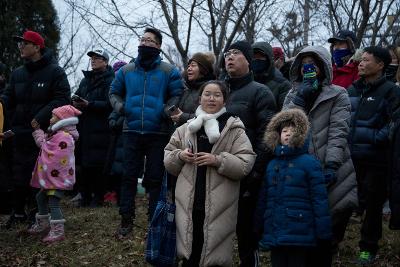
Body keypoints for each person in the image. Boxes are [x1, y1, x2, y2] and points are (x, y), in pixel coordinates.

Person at [164, 80, 256, 267]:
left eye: (217, 95)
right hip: (188, 203)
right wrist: (180, 155)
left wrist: (218, 160)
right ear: (200, 99)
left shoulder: (234, 130)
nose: (211, 98)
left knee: (214, 257)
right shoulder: (185, 129)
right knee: (190, 254)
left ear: (224, 100)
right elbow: (168, 161)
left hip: (220, 206)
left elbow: (246, 163)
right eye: (207, 94)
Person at [283, 45, 357, 266]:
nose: (308, 67)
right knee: (302, 228)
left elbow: (339, 130)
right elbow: (285, 128)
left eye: (312, 63)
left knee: (327, 228)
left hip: (331, 165)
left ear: (323, 67)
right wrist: (300, 101)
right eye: (304, 63)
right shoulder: (292, 95)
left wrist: (332, 164)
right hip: (299, 168)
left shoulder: (338, 94)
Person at [109, 27, 183, 238]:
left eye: (150, 40)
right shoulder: (126, 71)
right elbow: (113, 92)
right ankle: (126, 220)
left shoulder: (169, 71)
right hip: (131, 130)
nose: (145, 43)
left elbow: (177, 94)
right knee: (128, 177)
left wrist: (165, 111)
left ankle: (154, 220)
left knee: (155, 178)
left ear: (158, 46)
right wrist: (122, 109)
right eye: (143, 39)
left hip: (158, 132)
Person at [0, 30, 70, 229]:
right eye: (19, 43)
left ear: (37, 47)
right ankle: (18, 212)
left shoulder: (55, 72)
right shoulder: (17, 73)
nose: (21, 47)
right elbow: (8, 97)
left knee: (38, 175)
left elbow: (62, 98)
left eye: (25, 43)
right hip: (19, 133)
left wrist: (40, 118)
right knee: (18, 174)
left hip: (43, 135)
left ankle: (38, 215)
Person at [254, 108, 332, 267]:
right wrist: (258, 226)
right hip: (275, 229)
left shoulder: (309, 163)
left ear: (302, 134)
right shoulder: (272, 164)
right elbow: (264, 198)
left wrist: (323, 232)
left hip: (301, 230)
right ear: (277, 135)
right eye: (284, 130)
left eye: (292, 130)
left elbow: (319, 199)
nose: (288, 133)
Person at [224, 40, 277, 266]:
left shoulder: (260, 92)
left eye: (236, 53)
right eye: (227, 54)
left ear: (249, 61)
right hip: (218, 167)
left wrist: (255, 172)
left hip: (248, 171)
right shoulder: (218, 90)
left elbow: (268, 134)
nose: (229, 57)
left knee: (246, 230)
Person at [347, 46, 400, 264]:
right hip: (350, 158)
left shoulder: (391, 91)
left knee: (373, 205)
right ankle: (332, 242)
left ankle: (368, 249)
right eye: (360, 60)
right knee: (345, 202)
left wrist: (377, 138)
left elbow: (394, 123)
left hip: (376, 159)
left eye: (367, 60)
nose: (361, 63)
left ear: (380, 65)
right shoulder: (353, 89)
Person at [27, 105, 80, 243]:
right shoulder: (55, 134)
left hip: (58, 178)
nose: (50, 119)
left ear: (62, 119)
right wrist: (38, 130)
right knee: (40, 197)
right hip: (51, 178)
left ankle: (58, 231)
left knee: (53, 202)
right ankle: (44, 224)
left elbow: (49, 149)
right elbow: (43, 143)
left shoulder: (65, 137)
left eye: (53, 116)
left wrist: (41, 135)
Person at [73, 48, 114, 207]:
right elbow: (77, 95)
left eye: (97, 58)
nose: (93, 60)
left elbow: (111, 104)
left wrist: (90, 104)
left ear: (105, 61)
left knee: (99, 166)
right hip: (84, 127)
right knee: (84, 164)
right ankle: (85, 196)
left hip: (102, 128)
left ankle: (98, 197)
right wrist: (75, 101)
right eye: (92, 58)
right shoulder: (85, 80)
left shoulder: (111, 80)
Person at [103, 60, 127, 205]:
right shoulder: (118, 94)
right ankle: (116, 195)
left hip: (125, 133)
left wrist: (117, 122)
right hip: (116, 136)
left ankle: (122, 198)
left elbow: (126, 111)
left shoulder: (130, 93)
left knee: (124, 169)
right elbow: (114, 111)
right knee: (115, 168)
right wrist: (112, 120)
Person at [170, 52, 216, 126]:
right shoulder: (186, 90)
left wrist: (183, 117)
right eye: (188, 66)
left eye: (193, 66)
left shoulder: (212, 89)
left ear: (203, 69)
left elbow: (211, 116)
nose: (189, 69)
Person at [252, 42, 291, 110]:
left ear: (269, 59)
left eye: (261, 57)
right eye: (254, 57)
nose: (257, 60)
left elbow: (286, 115)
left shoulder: (283, 85)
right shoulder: (245, 82)